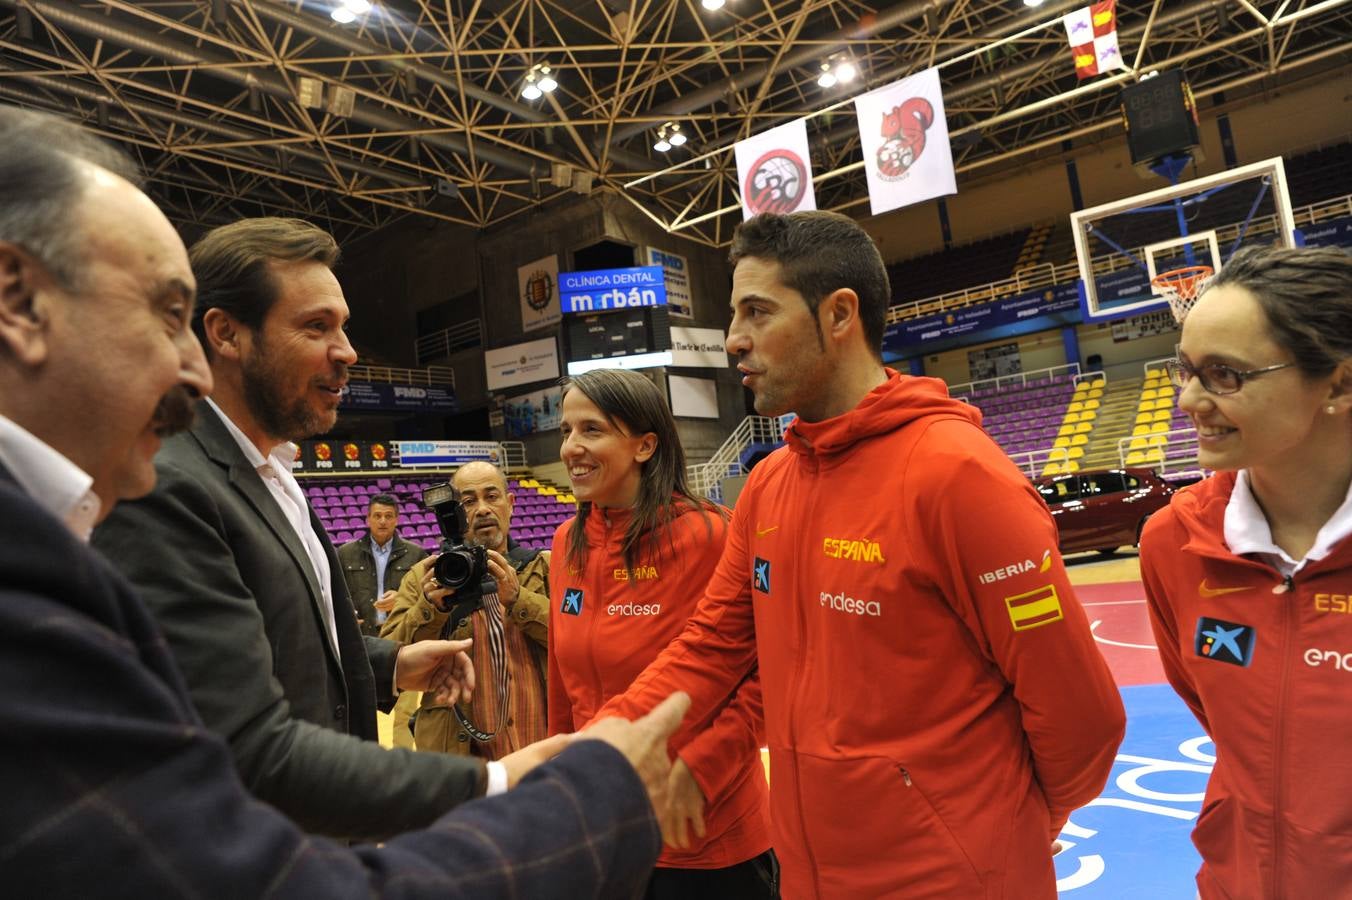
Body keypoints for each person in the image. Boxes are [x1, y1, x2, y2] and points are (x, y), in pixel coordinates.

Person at [0, 104, 685, 898]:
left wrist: (388, 663)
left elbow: (275, 653)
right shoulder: (157, 494)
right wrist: (561, 796)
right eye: (162, 313)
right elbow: (251, 780)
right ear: (17, 299)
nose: (185, 370)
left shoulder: (252, 478)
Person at [596, 210, 1126, 898]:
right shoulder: (769, 483)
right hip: (813, 874)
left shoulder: (958, 475)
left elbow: (1082, 719)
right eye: (735, 315)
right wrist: (605, 739)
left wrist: (1002, 820)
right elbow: (711, 646)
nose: (734, 340)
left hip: (953, 876)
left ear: (839, 314)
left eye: (757, 312)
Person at [93, 217, 519, 841]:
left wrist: (392, 662)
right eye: (316, 327)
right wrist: (496, 786)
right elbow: (244, 746)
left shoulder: (275, 472)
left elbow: (280, 644)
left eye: (343, 327)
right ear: (226, 334)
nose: (347, 351)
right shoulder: (169, 485)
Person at [1139, 245, 1352, 900]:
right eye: (1186, 371)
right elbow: (1215, 715)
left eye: (1224, 376)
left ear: (1339, 385)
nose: (1188, 401)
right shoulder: (1173, 543)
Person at [552, 368, 776, 898]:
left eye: (592, 430)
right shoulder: (568, 541)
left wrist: (702, 771)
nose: (570, 448)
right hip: (605, 831)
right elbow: (565, 688)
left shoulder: (709, 534)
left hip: (704, 835)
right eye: (565, 431)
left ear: (645, 445)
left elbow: (768, 675)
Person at [382, 461, 551, 759]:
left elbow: (581, 643)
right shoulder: (425, 576)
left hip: (545, 753)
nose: (483, 509)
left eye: (492, 496)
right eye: (469, 501)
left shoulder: (545, 567)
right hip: (463, 763)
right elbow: (389, 659)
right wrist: (431, 607)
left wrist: (518, 599)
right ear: (455, 513)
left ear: (510, 504)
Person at [338, 492, 427, 636]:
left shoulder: (416, 554)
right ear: (368, 519)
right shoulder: (345, 553)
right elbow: (335, 592)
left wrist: (401, 598)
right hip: (361, 635)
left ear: (396, 520)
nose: (383, 521)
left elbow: (427, 595)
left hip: (401, 632)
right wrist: (345, 614)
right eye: (377, 516)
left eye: (389, 516)